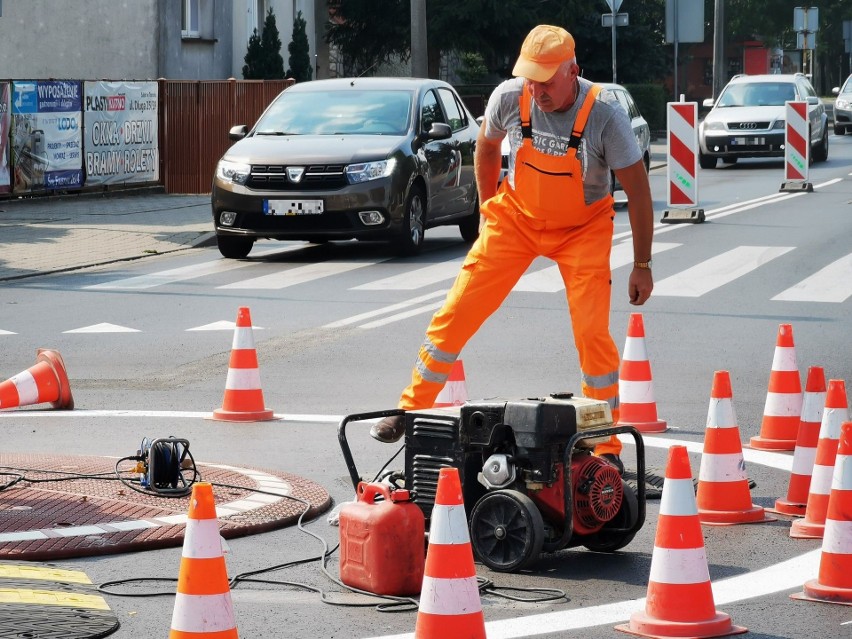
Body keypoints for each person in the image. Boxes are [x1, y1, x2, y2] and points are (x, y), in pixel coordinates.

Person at [371, 25, 655, 474]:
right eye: (530, 78)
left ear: (573, 71)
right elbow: (485, 148)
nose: (536, 90)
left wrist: (642, 265)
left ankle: (604, 450)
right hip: (516, 219)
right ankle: (408, 410)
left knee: (592, 335)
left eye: (546, 80)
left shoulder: (604, 115)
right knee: (456, 311)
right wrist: (487, 213)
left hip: (582, 229)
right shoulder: (510, 96)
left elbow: (639, 194)